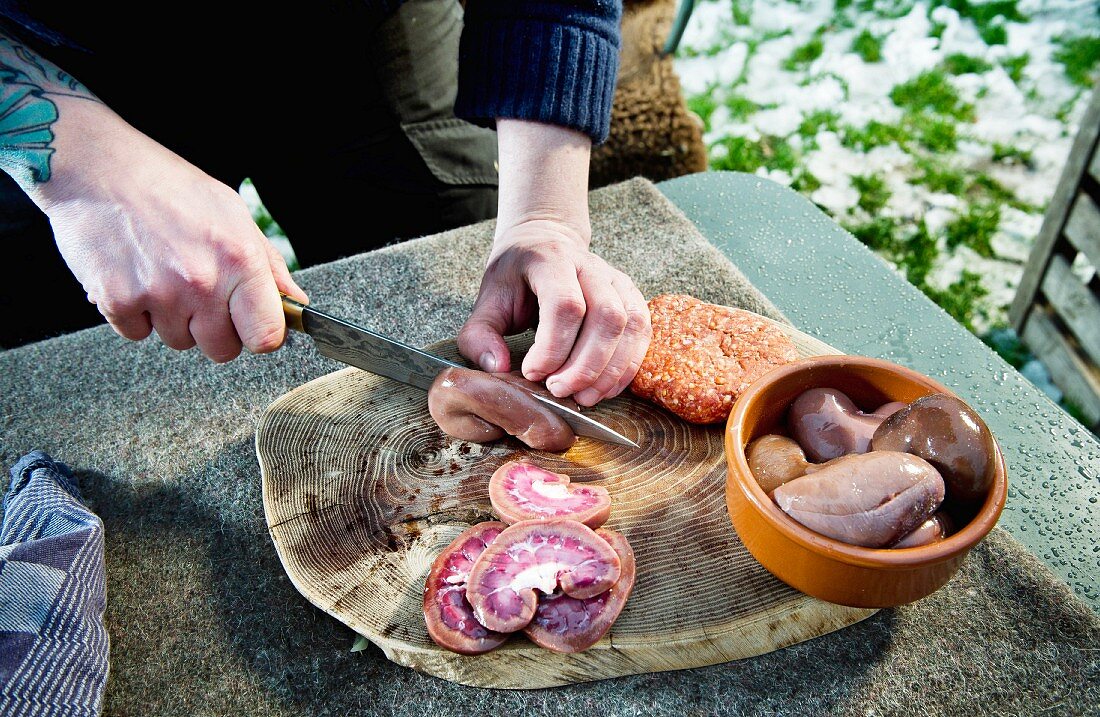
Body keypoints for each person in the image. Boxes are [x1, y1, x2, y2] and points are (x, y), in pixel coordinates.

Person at [0, 0, 651, 408]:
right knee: (55, 396)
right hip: (49, 67)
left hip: (355, 29)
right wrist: (90, 171)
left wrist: (544, 216)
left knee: (469, 283)